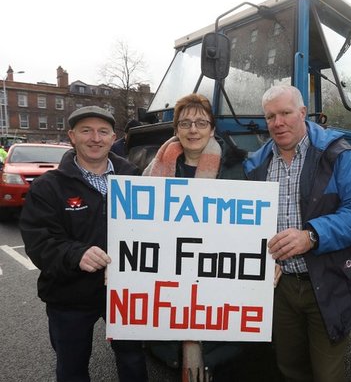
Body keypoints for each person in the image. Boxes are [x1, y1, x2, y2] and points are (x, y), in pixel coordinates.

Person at [244, 85, 351, 382]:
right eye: (271, 116)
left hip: (327, 281)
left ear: (303, 113)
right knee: (289, 368)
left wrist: (312, 236)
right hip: (280, 287)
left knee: (327, 375)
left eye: (285, 113)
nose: (278, 122)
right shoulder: (256, 165)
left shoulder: (337, 154)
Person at [19, 106, 148, 382]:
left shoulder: (135, 179)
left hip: (123, 292)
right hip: (69, 293)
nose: (95, 138)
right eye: (86, 131)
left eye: (103, 132)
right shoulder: (48, 187)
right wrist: (76, 254)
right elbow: (39, 240)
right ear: (72, 136)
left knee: (133, 360)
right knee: (72, 367)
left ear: (114, 137)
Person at [142, 93, 221, 381]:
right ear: (176, 129)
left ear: (212, 129)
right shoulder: (156, 170)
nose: (193, 130)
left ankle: (206, 354)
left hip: (213, 271)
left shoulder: (236, 170)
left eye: (201, 123)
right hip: (169, 266)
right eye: (185, 123)